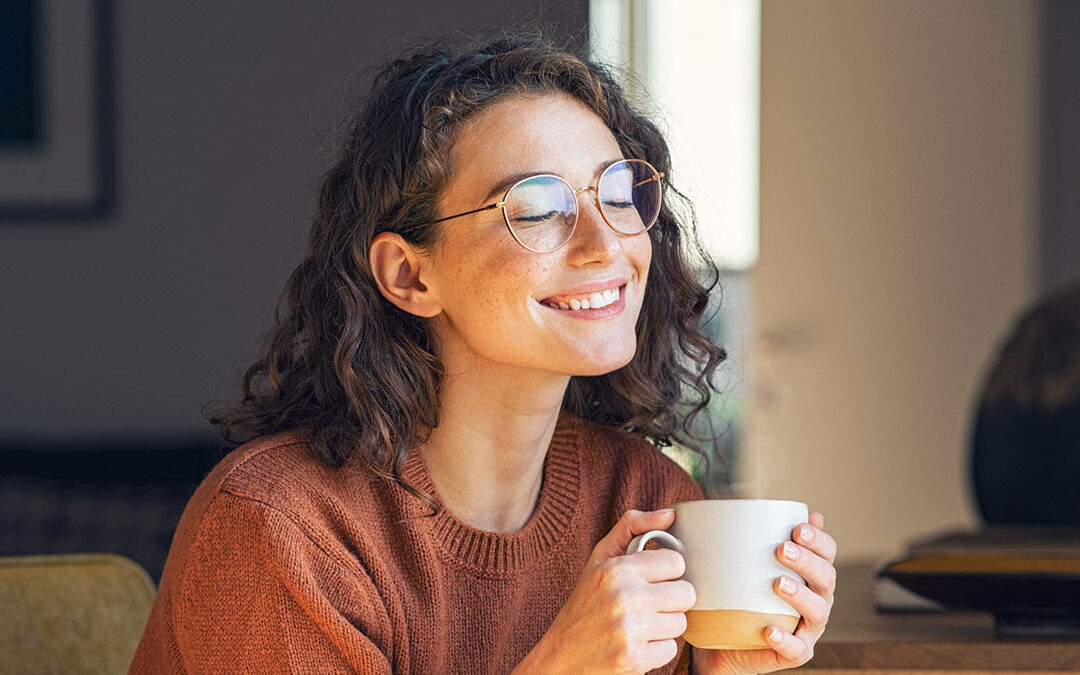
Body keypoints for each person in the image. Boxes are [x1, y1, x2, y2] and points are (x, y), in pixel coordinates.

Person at [131, 31, 837, 674]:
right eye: (535, 209)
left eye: (619, 193)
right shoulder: (282, 529)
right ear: (411, 275)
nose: (606, 244)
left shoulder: (644, 501)